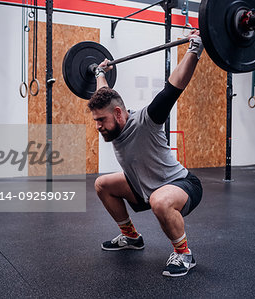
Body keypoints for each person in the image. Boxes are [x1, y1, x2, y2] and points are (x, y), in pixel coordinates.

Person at [87, 30, 203, 277]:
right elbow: (104, 95)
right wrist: (99, 73)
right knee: (102, 184)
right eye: (96, 121)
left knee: (159, 201)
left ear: (118, 114)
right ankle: (131, 237)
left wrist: (195, 50)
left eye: (101, 121)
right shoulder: (112, 117)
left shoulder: (146, 120)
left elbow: (174, 87)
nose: (98, 126)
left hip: (180, 184)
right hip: (143, 186)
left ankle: (184, 255)